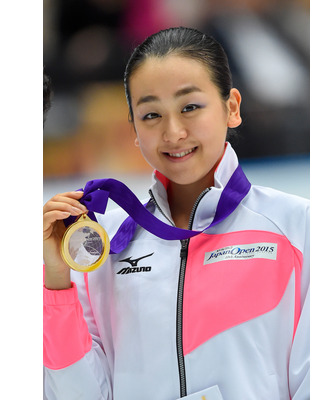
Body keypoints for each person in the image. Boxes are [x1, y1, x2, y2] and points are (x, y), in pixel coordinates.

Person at [43, 27, 309, 400]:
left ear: (231, 107)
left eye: (190, 107)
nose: (173, 132)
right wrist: (57, 283)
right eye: (151, 114)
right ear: (133, 129)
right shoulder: (100, 250)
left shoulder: (298, 230)